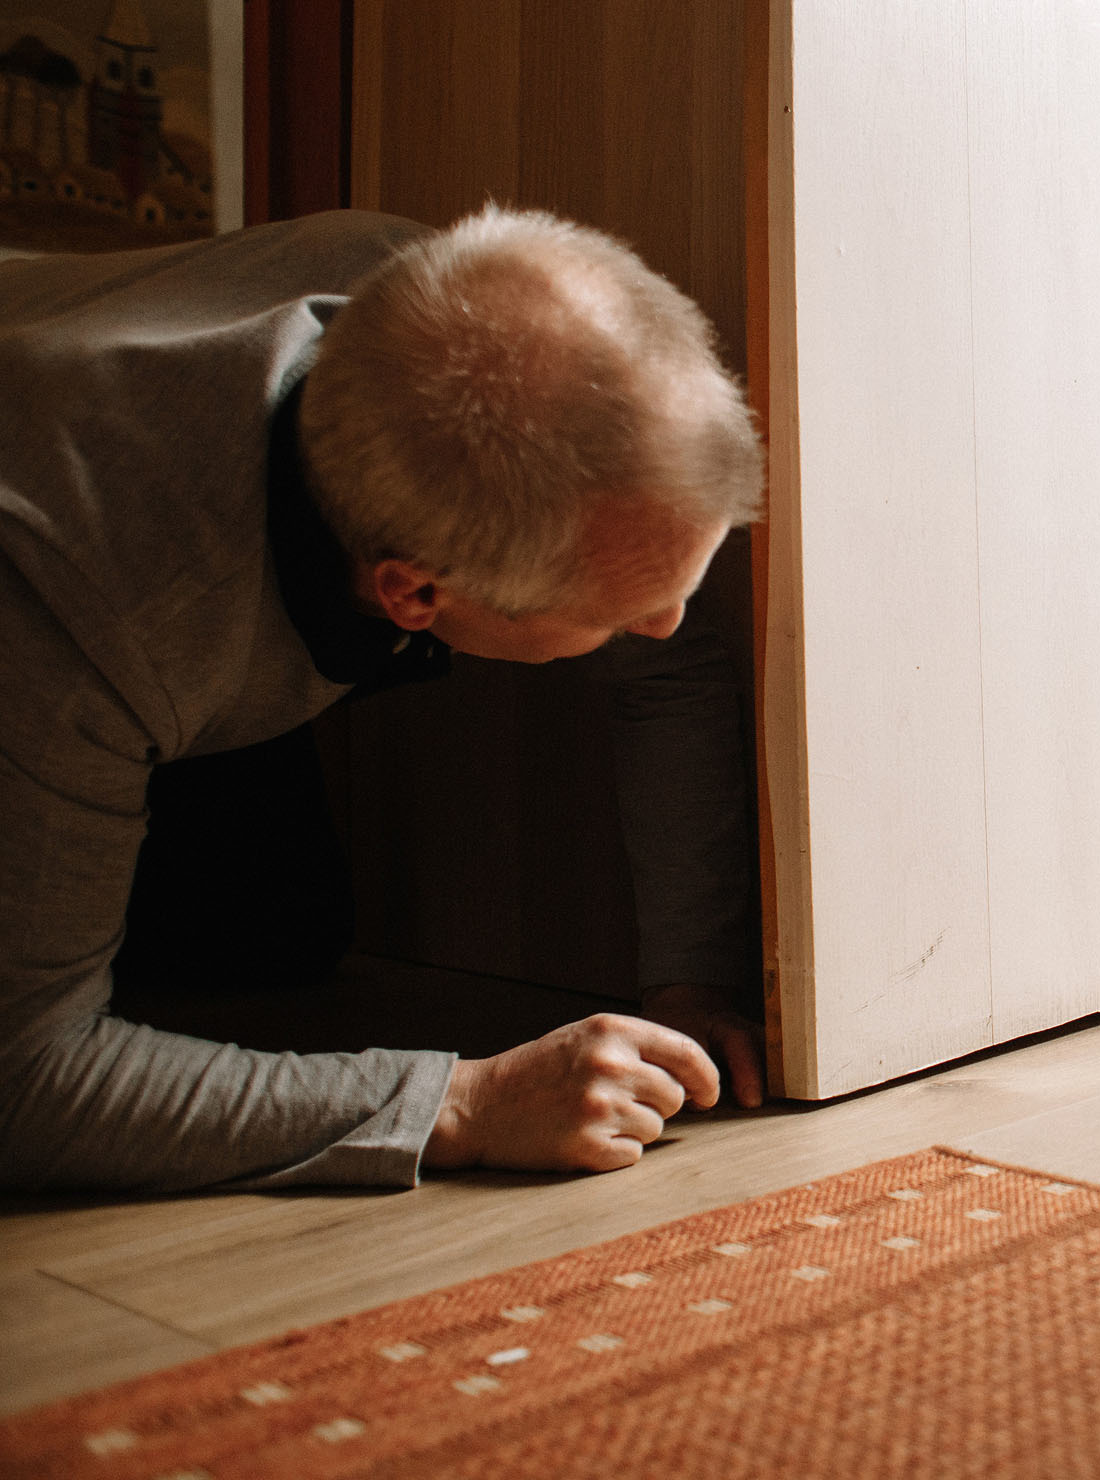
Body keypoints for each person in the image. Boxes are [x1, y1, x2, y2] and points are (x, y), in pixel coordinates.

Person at [0, 206, 769, 1191]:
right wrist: (461, 1102)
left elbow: (667, 668)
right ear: (413, 593)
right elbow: (25, 1080)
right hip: (67, 566)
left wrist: (690, 980)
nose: (673, 625)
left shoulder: (465, 306)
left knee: (276, 935)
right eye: (623, 614)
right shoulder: (89, 605)